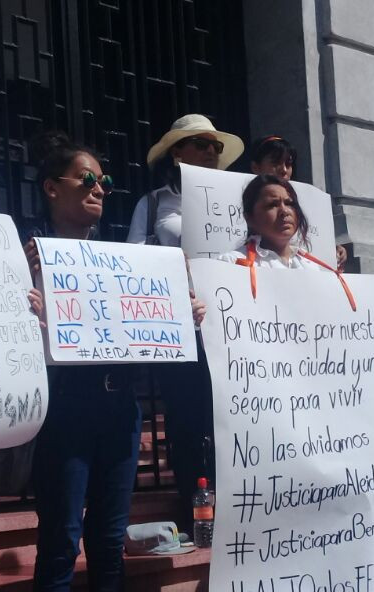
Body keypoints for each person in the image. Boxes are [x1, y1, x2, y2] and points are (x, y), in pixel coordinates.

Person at [23, 131, 205, 592]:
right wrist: (29, 310)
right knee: (58, 547)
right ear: (52, 189)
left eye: (104, 182)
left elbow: (151, 333)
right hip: (64, 411)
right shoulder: (28, 256)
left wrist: (185, 314)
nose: (100, 190)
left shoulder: (127, 263)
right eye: (87, 180)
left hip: (119, 410)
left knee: (107, 546)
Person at [222, 174, 374, 592]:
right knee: (276, 538)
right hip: (268, 427)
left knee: (322, 535)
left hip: (323, 428)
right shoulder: (231, 271)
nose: (284, 211)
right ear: (250, 216)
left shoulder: (325, 275)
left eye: (289, 203)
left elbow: (351, 342)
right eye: (271, 203)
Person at [126, 114, 243, 530]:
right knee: (186, 417)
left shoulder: (236, 205)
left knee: (232, 416)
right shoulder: (153, 203)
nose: (210, 151)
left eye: (214, 145)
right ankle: (193, 505)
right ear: (177, 153)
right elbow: (135, 258)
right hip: (181, 332)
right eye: (200, 143)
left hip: (232, 330)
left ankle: (236, 503)